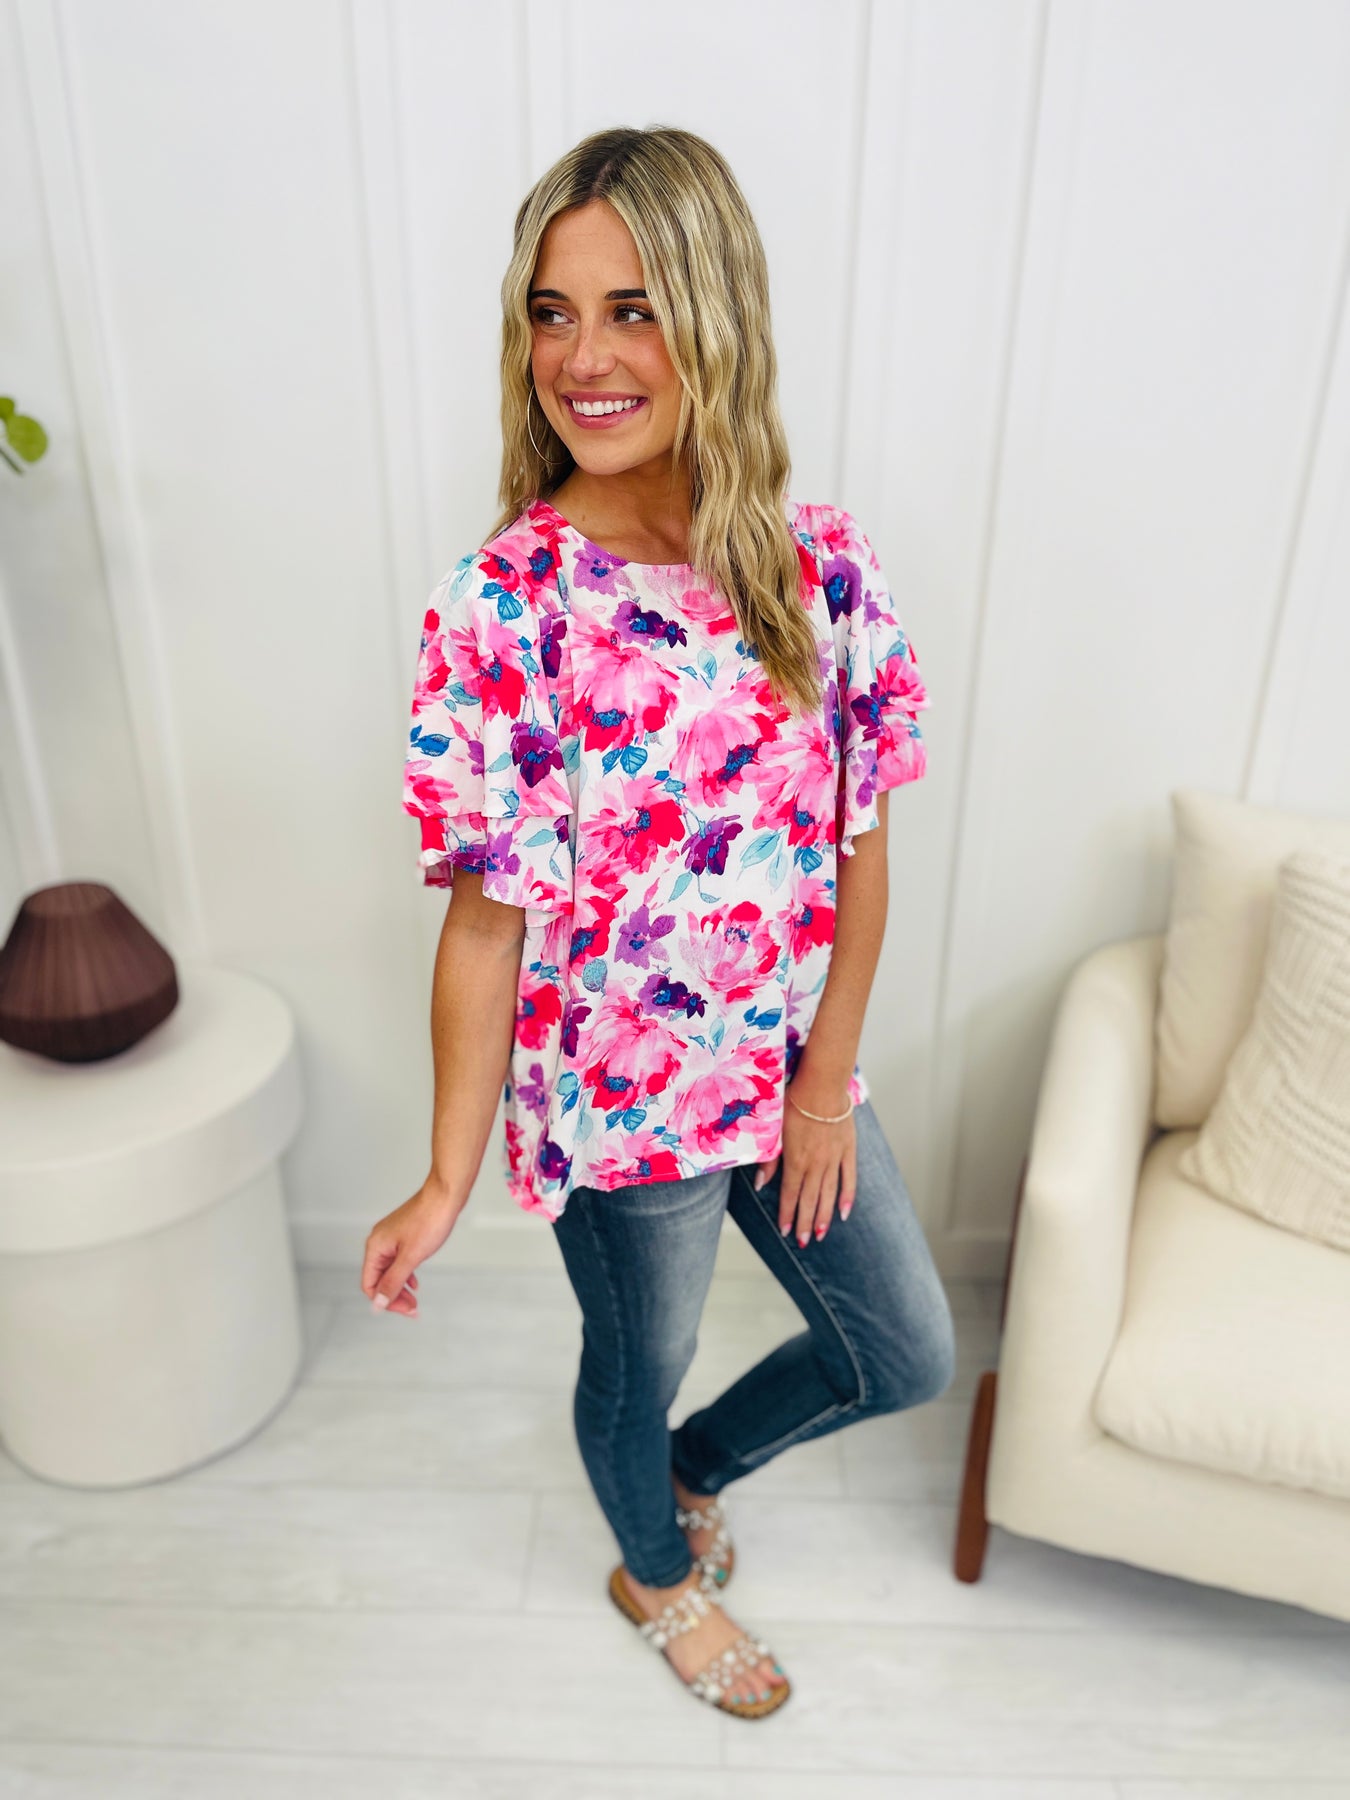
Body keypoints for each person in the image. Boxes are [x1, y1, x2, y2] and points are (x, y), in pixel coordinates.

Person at [362, 125, 956, 1721]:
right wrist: (444, 1175)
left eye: (631, 309)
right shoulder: (505, 607)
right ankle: (652, 1567)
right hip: (622, 1118)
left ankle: (684, 1475)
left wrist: (821, 1089)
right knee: (636, 1361)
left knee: (900, 1350)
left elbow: (859, 855)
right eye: (551, 314)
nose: (584, 358)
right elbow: (484, 927)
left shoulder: (819, 568)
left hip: (784, 1072)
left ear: (714, 315)